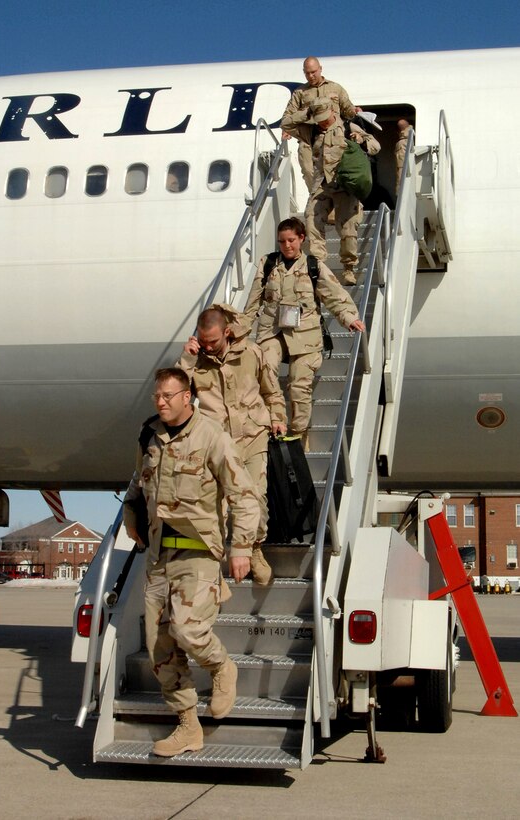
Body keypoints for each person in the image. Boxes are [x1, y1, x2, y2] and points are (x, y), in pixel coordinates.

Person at [123, 367, 260, 757]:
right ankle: (187, 726)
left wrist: (241, 548)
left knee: (188, 630)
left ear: (188, 396)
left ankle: (220, 668)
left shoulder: (211, 435)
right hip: (159, 555)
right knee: (159, 646)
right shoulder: (149, 435)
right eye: (157, 397)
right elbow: (139, 479)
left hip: (198, 552)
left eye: (168, 396)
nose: (161, 402)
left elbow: (244, 495)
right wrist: (132, 511)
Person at [177, 304, 287, 584]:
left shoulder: (251, 353)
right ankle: (217, 560)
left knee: (255, 498)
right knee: (217, 505)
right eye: (203, 342)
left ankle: (254, 548)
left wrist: (278, 418)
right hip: (218, 443)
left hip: (253, 435)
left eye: (212, 341)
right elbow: (175, 395)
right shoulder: (197, 361)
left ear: (227, 332)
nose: (208, 347)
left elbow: (271, 389)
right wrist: (188, 361)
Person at [242, 218, 365, 448]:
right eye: (282, 241)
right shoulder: (268, 264)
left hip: (305, 335)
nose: (287, 245)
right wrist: (240, 330)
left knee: (299, 384)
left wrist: (349, 317)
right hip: (273, 331)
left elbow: (333, 294)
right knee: (265, 368)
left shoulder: (313, 266)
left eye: (291, 240)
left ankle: (298, 435)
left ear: (301, 239)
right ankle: (274, 424)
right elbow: (253, 302)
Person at [299, 98, 381, 285]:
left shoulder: (347, 127)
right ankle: (319, 264)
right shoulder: (311, 131)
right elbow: (287, 122)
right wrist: (308, 113)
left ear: (333, 113)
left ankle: (348, 268)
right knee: (311, 218)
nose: (321, 122)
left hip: (344, 185)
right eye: (318, 117)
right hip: (322, 185)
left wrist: (360, 140)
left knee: (348, 229)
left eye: (324, 116)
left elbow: (376, 146)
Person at [281, 56, 358, 194]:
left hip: (333, 137)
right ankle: (318, 198)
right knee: (308, 170)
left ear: (320, 69)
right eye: (307, 73)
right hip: (310, 137)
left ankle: (335, 201)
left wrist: (355, 111)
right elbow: (288, 115)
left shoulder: (335, 88)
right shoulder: (300, 93)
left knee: (335, 171)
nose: (310, 76)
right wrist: (290, 128)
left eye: (313, 72)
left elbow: (347, 108)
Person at [395, 118, 414, 195]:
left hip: (405, 176)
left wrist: (399, 192)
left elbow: (401, 169)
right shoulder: (410, 137)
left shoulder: (403, 142)